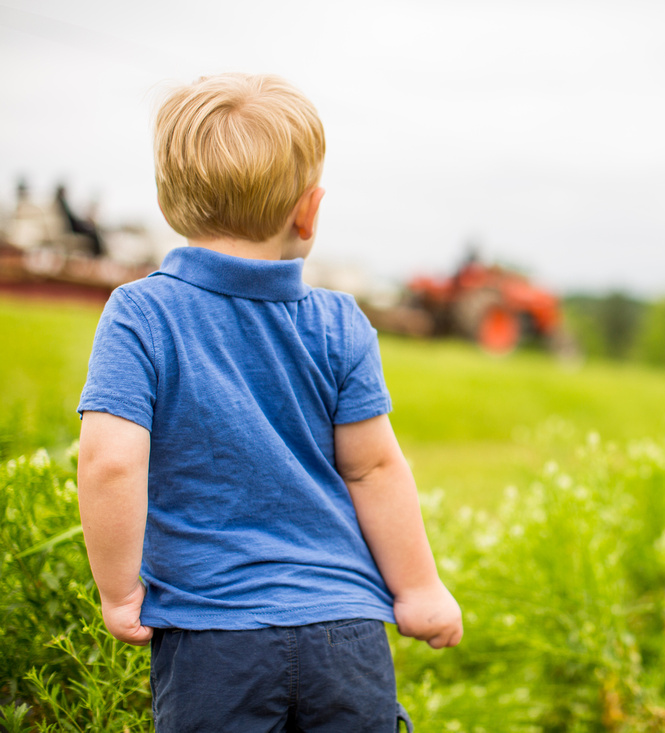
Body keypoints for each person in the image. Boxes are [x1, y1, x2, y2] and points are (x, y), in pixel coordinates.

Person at [76, 73, 461, 732]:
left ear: (171, 203)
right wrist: (420, 589)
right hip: (345, 631)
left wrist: (119, 592)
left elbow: (111, 462)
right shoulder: (341, 322)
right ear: (308, 210)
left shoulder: (140, 314)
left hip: (211, 636)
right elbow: (374, 468)